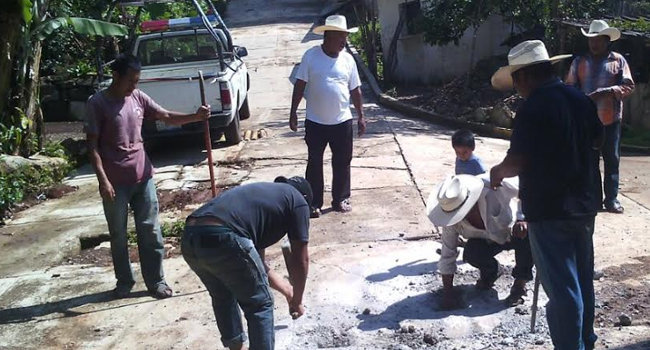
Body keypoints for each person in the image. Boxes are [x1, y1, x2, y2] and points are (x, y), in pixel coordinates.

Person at [490, 40, 603, 350]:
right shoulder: (580, 99)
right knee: (581, 281)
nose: (517, 87)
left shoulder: (533, 107)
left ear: (525, 76)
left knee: (564, 291)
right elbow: (597, 139)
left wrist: (498, 172)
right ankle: (585, 341)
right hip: (584, 206)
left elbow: (518, 161)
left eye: (516, 80)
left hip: (549, 210)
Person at [85, 54, 210, 299]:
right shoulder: (97, 103)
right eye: (130, 81)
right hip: (114, 182)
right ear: (116, 76)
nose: (134, 86)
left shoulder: (138, 98)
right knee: (118, 234)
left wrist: (195, 117)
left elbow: (165, 116)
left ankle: (156, 281)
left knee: (150, 231)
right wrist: (103, 179)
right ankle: (124, 282)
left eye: (137, 81)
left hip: (143, 176)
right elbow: (92, 146)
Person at [181, 176, 312, 350]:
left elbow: (257, 267)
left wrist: (289, 292)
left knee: (223, 295)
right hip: (224, 234)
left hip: (190, 235)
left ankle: (236, 347)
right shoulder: (298, 201)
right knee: (260, 304)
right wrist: (297, 300)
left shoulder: (263, 202)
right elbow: (301, 259)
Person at [289, 14, 366, 218]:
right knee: (314, 162)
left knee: (342, 161)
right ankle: (314, 202)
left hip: (342, 121)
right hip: (315, 121)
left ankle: (340, 198)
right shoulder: (311, 56)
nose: (344, 41)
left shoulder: (348, 59)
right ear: (328, 36)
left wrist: (361, 115)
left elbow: (355, 90)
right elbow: (300, 85)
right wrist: (293, 113)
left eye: (346, 37)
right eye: (340, 37)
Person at [427, 174, 532, 310]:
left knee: (528, 236)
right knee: (472, 252)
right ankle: (492, 272)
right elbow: (447, 254)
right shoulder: (450, 221)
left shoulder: (491, 185)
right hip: (487, 241)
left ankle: (519, 285)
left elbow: (527, 187)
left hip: (512, 232)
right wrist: (448, 293)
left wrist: (522, 217)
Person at [565, 20, 635, 214]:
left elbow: (629, 86)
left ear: (606, 40)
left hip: (610, 119)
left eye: (597, 40)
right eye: (591, 40)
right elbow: (569, 88)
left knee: (612, 160)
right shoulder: (579, 62)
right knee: (589, 161)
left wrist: (608, 91)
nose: (593, 44)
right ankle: (593, 199)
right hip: (586, 122)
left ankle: (611, 200)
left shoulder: (618, 61)